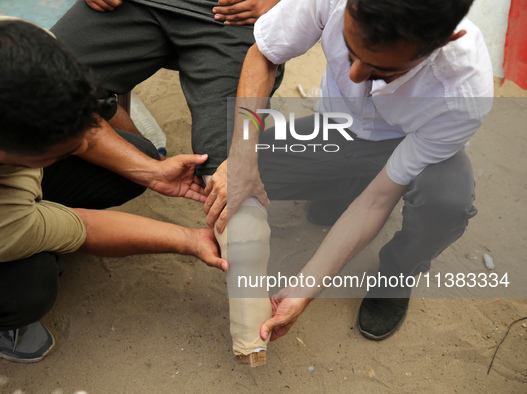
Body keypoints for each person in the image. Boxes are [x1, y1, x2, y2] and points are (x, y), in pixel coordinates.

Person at [0, 16, 227, 363]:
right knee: (29, 285)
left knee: (135, 160)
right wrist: (190, 240)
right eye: (60, 153)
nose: (82, 147)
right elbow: (82, 228)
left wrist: (150, 172)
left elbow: (84, 122)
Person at [203, 0, 493, 342]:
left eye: (383, 70)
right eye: (349, 50)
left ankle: (397, 275)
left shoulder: (464, 95)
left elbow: (376, 201)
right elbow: (264, 55)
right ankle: (342, 186)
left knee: (446, 200)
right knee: (219, 174)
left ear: (442, 42)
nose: (353, 77)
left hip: (405, 142)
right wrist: (243, 154)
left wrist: (303, 289)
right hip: (335, 126)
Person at [50, 0, 284, 176]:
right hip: (135, 4)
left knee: (229, 174)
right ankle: (145, 158)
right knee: (39, 87)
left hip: (234, 13)